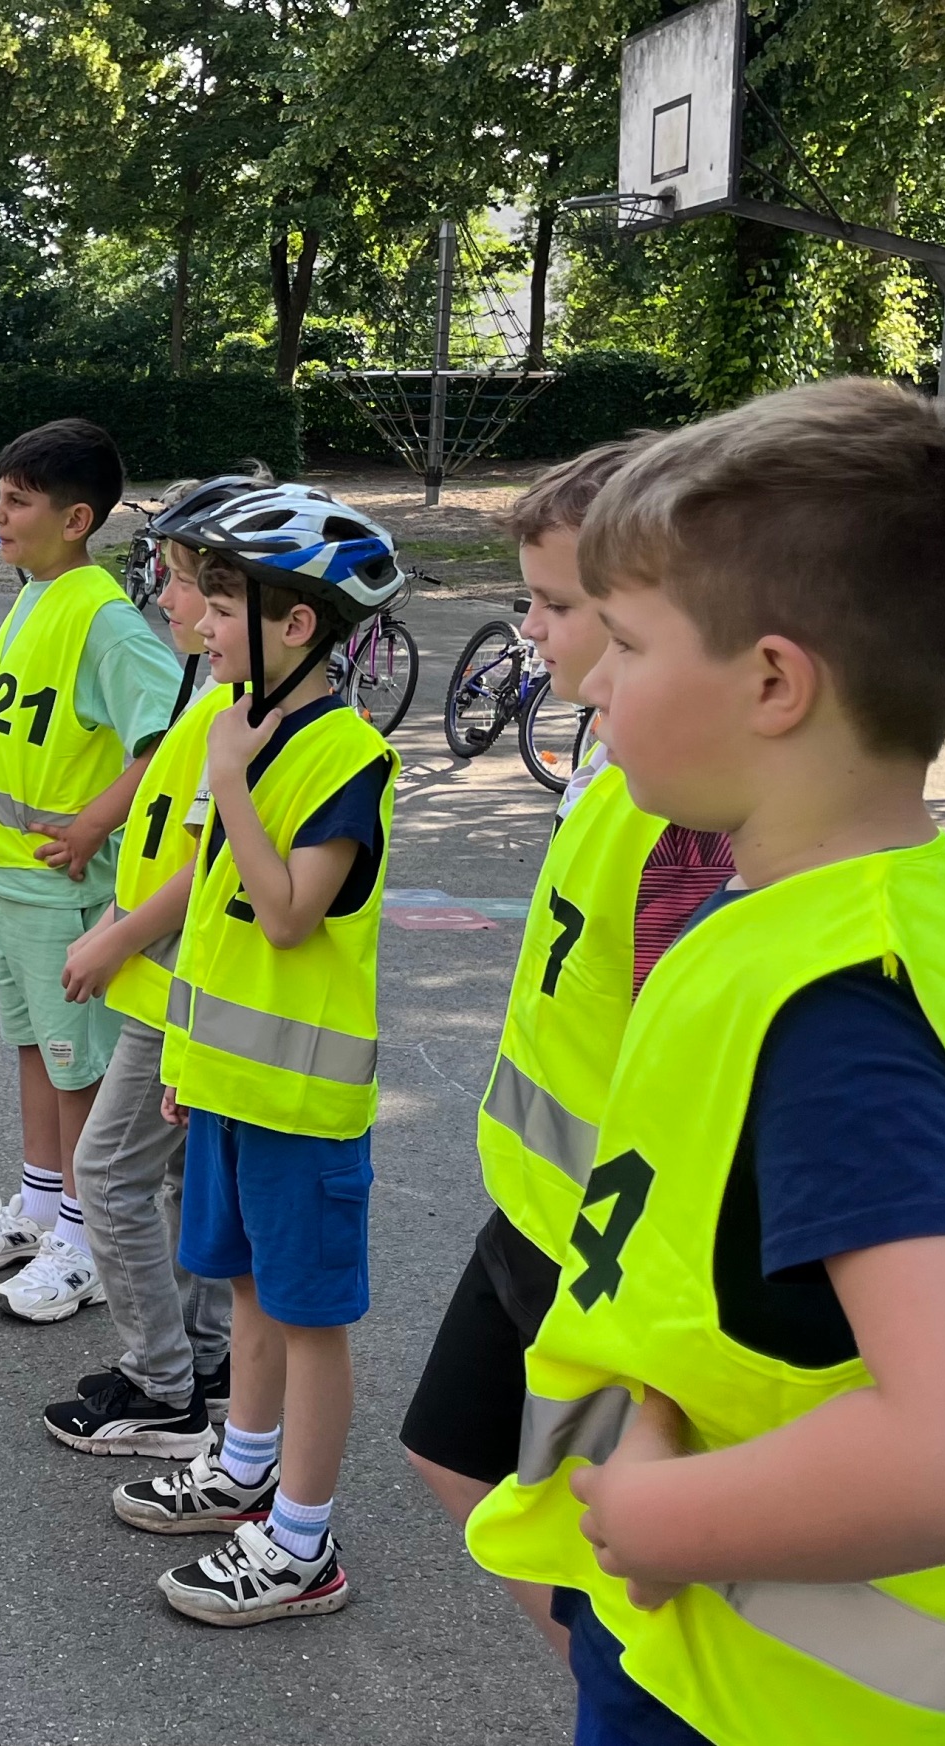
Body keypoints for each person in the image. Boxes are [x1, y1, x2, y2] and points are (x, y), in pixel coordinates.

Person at [463, 380, 945, 1746]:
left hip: (754, 1703)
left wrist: (660, 1512)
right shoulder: (817, 912)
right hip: (697, 1662)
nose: (593, 680)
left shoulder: (839, 1005)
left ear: (775, 683)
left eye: (627, 641)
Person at [398, 441, 733, 1653]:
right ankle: (607, 1688)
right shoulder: (605, 756)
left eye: (556, 605)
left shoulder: (688, 820)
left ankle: (621, 1695)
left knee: (611, 1564)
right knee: (455, 1457)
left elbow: (699, 1078)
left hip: (610, 1249)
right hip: (538, 1213)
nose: (528, 630)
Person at [109, 484, 402, 1628]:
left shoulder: (341, 756)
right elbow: (217, 925)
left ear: (299, 624)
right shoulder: (252, 725)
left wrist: (228, 776)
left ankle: (304, 1541)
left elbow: (285, 917)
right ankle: (243, 1466)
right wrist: (186, 1060)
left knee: (307, 1317)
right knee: (244, 1289)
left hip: (300, 1101)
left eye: (226, 605)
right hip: (230, 1083)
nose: (203, 621)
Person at [43, 475, 273, 1456]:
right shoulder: (210, 691)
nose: (170, 603)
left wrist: (113, 936)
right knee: (180, 1178)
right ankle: (204, 1360)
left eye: (187, 585)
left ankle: (160, 1387)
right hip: (166, 977)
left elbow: (211, 866)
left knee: (106, 1173)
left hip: (177, 983)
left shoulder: (237, 710)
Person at [0, 418, 184, 1323]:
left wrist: (92, 825)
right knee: (38, 1050)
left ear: (76, 519)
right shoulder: (37, 592)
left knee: (77, 1066)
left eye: (17, 502)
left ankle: (83, 1243)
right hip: (10, 879)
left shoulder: (104, 617)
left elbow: (165, 746)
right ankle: (41, 1205)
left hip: (63, 889)